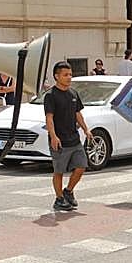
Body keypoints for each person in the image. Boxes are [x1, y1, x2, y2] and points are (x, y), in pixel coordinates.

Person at [44, 61, 93, 210]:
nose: (69, 77)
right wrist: (53, 136)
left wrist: (86, 130)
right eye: (65, 75)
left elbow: (78, 114)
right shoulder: (51, 95)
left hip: (74, 139)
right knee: (59, 171)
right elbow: (49, 118)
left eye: (70, 74)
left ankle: (68, 191)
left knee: (81, 166)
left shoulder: (73, 93)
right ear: (56, 76)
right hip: (60, 141)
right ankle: (59, 199)